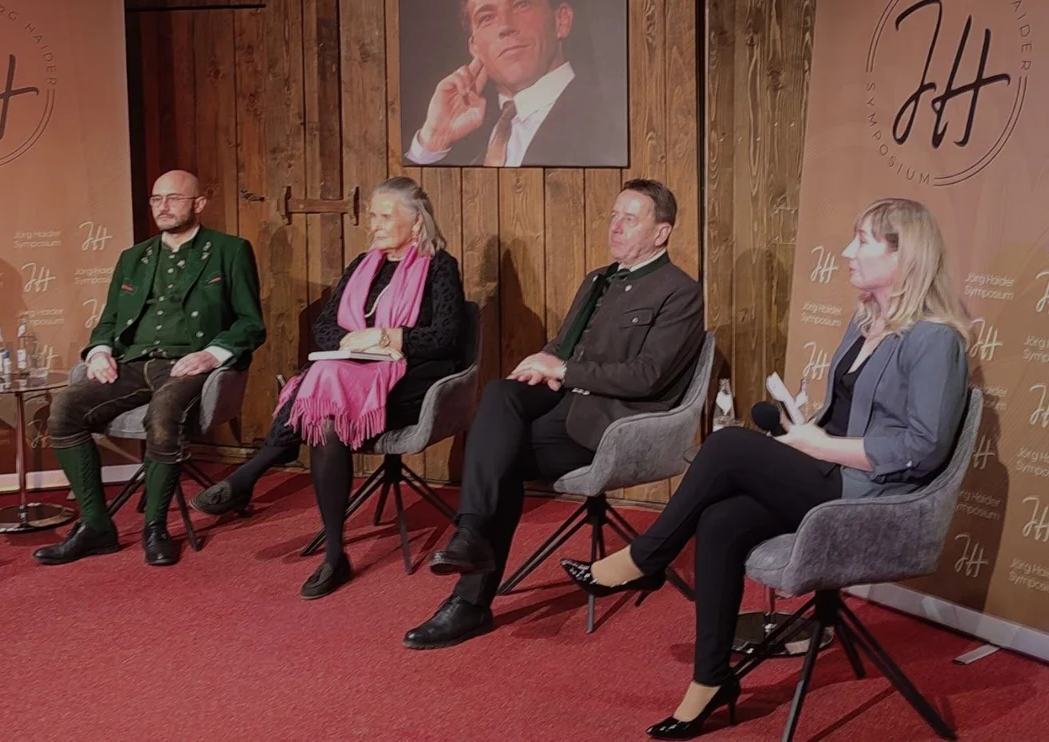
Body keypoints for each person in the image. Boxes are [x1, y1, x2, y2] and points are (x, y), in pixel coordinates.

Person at [562, 197, 971, 739]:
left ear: (906, 257)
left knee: (729, 445)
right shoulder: (864, 320)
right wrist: (799, 428)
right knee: (722, 521)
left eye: (864, 242)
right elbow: (845, 412)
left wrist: (819, 446)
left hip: (877, 494)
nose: (848, 252)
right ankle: (710, 679)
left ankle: (647, 557)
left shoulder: (935, 339)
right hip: (832, 470)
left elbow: (923, 447)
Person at [403, 179, 704, 648]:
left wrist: (562, 367)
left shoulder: (679, 292)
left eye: (630, 218)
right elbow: (563, 346)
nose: (616, 226)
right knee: (502, 393)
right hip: (562, 401)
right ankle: (470, 540)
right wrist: (541, 364)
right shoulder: (598, 278)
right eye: (613, 215)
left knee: (497, 456)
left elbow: (648, 377)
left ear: (661, 232)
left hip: (611, 423)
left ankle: (470, 596)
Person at [194, 177, 465, 599]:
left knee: (323, 390)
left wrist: (382, 338)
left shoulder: (440, 266)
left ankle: (257, 466)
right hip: (349, 380)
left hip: (415, 381)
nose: (373, 225)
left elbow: (446, 337)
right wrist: (348, 344)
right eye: (372, 215)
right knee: (327, 420)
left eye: (384, 216)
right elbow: (325, 325)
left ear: (416, 223)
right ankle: (335, 556)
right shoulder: (361, 265)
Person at [33, 170, 265, 568]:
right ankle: (95, 527)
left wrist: (212, 354)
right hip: (132, 362)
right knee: (64, 411)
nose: (163, 207)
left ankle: (155, 527)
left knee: (163, 414)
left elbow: (250, 323)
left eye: (174, 198)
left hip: (187, 363)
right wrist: (100, 351)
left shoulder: (230, 250)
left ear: (198, 204)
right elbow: (107, 321)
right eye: (157, 199)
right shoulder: (133, 258)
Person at [404, 0, 624, 168]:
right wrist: (433, 141)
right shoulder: (464, 137)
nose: (505, 27)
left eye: (521, 4)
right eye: (486, 17)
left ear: (562, 20)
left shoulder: (611, 124)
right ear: (475, 47)